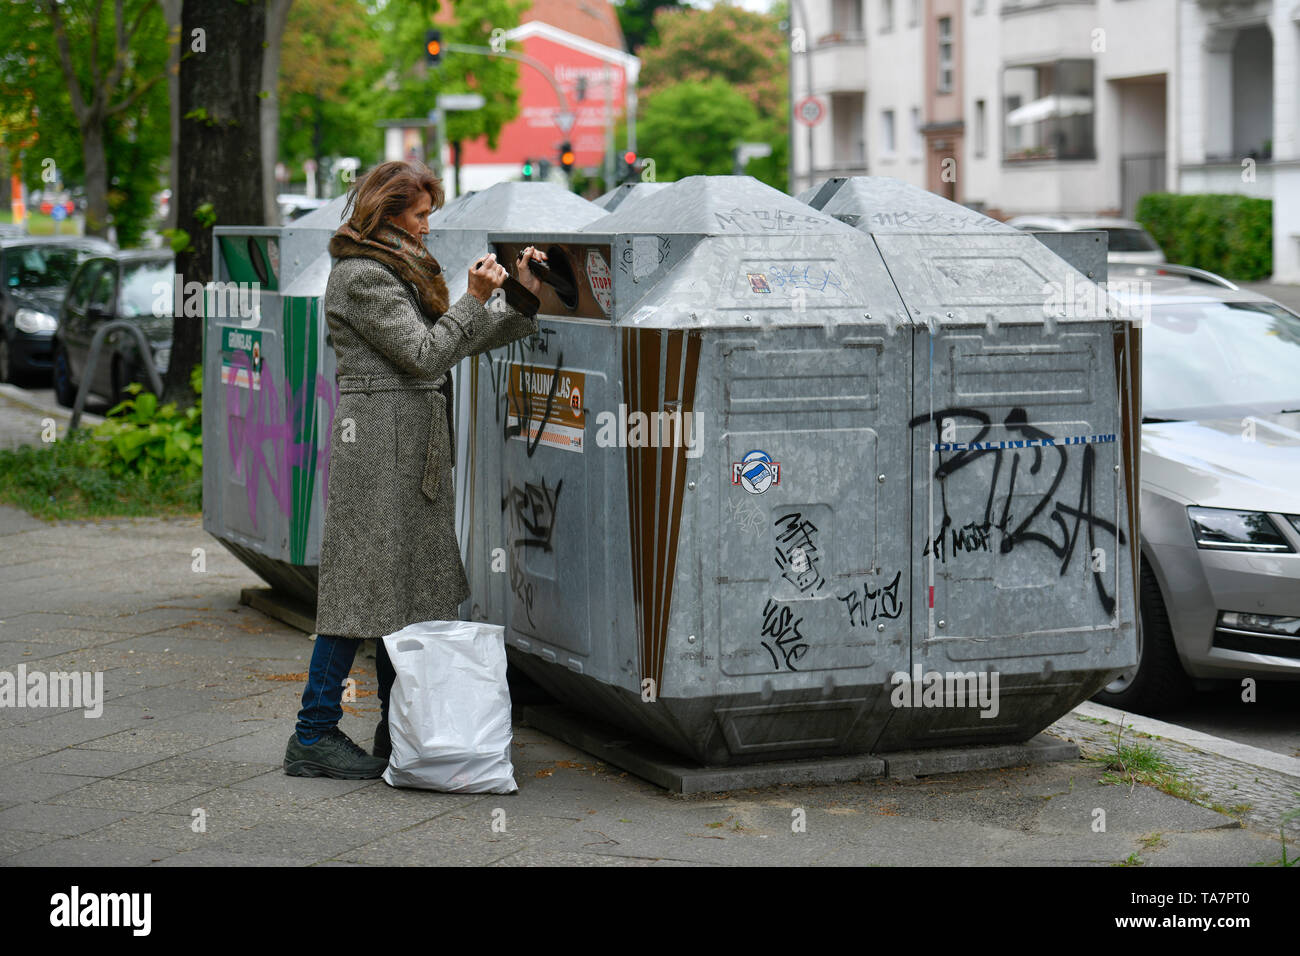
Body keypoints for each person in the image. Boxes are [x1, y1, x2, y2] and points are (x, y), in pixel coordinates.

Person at [284, 160, 546, 779]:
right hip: (378, 444)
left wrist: (521, 300)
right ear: (387, 214)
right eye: (421, 215)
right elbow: (426, 351)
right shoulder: (362, 277)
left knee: (404, 594)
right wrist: (475, 299)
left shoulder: (397, 272)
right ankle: (312, 734)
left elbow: (451, 340)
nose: (429, 227)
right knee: (358, 590)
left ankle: (395, 730)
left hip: (407, 442)